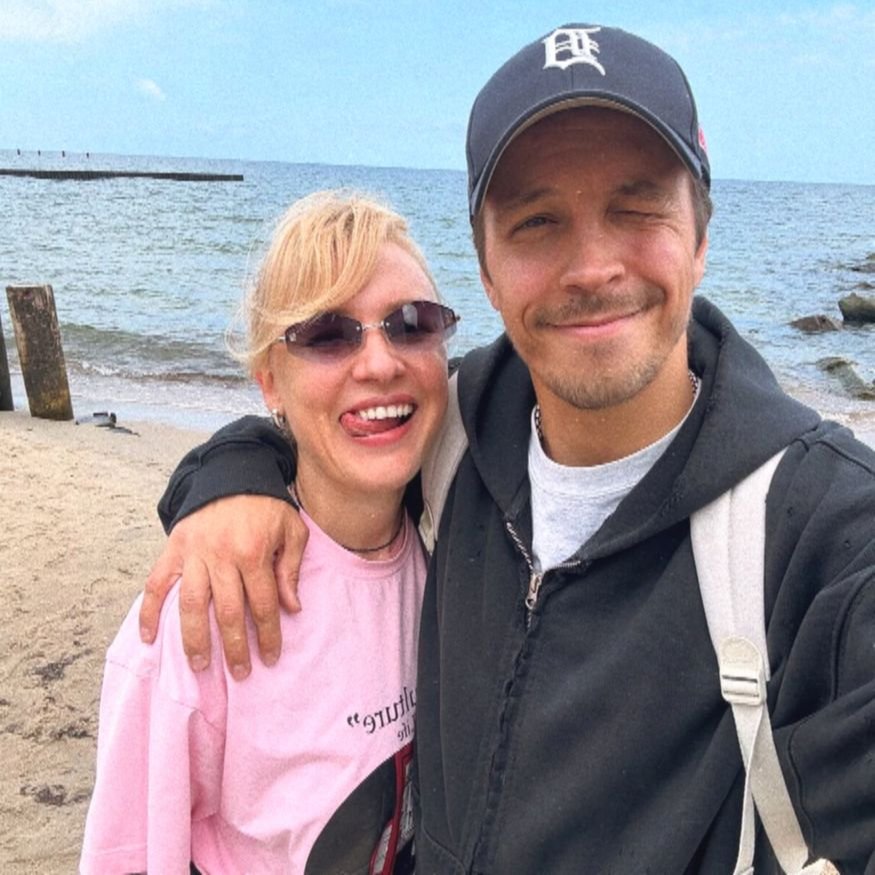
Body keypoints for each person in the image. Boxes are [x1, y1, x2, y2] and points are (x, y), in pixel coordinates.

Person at [139, 24, 875, 873]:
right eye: (536, 221)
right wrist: (231, 477)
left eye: (636, 208)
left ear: (701, 238)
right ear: (486, 271)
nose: (591, 266)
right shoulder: (455, 435)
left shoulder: (825, 537)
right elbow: (329, 421)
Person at [80, 190, 458, 873]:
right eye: (327, 334)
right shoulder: (203, 608)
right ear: (269, 383)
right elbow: (129, 853)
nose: (380, 363)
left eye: (411, 322)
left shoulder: (456, 537)